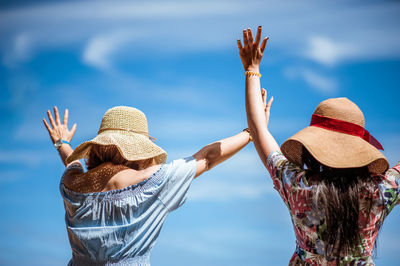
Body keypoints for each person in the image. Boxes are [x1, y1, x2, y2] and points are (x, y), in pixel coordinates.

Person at [237, 26, 400, 265]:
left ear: (313, 150)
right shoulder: (380, 192)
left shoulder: (298, 186)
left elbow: (259, 132)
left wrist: (252, 71)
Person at [43, 105, 252, 265]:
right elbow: (207, 159)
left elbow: (73, 162)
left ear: (97, 147)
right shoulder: (151, 182)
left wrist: (62, 143)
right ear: (139, 151)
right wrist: (251, 132)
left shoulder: (71, 184)